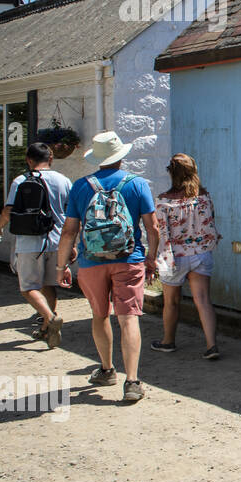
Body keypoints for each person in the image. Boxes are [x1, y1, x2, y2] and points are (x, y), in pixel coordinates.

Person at [56, 130, 159, 404]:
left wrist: (60, 265)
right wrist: (151, 257)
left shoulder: (80, 186)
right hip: (129, 259)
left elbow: (69, 231)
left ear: (97, 158)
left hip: (91, 261)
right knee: (129, 318)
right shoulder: (137, 184)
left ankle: (106, 369)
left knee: (100, 315)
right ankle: (133, 381)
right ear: (120, 157)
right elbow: (153, 226)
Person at [0, 142, 71, 348]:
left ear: (29, 160)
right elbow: (70, 213)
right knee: (48, 285)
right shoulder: (63, 180)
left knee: (28, 287)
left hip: (29, 242)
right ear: (50, 159)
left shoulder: (21, 180)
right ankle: (46, 329)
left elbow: (8, 210)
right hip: (57, 241)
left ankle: (50, 318)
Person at [152, 154, 222, 359]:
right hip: (201, 254)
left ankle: (168, 341)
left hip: (174, 257)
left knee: (171, 302)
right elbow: (210, 224)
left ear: (171, 173)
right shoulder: (204, 197)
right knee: (203, 300)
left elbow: (161, 232)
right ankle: (211, 345)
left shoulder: (163, 200)